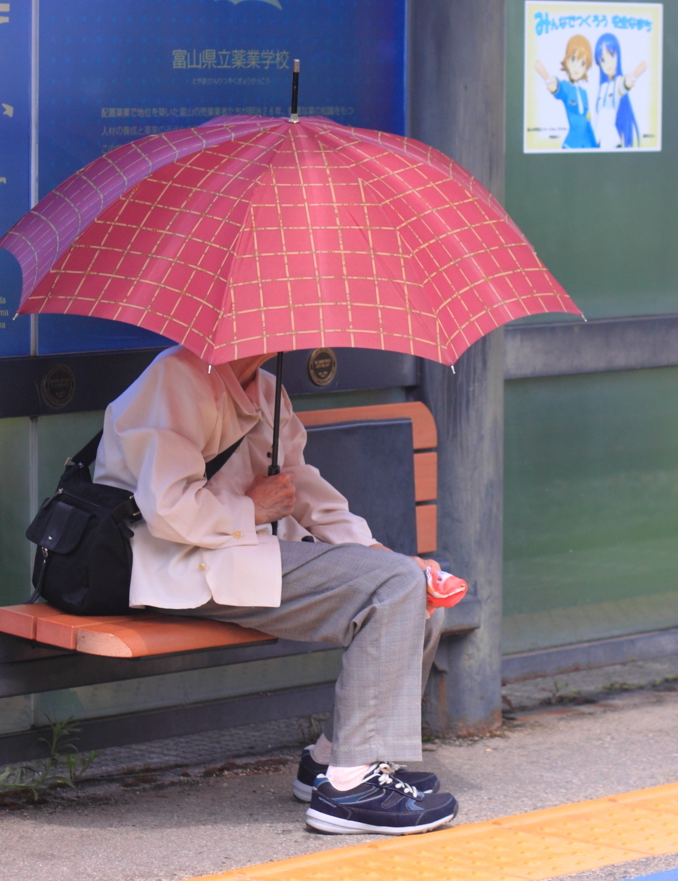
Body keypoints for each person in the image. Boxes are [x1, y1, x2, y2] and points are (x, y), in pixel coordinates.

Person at [94, 345, 464, 835]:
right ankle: (350, 792)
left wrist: (378, 552)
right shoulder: (175, 379)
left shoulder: (268, 390)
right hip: (182, 566)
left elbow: (301, 486)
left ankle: (333, 763)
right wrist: (251, 510)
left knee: (411, 589)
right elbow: (166, 509)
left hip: (240, 556)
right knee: (394, 589)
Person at [536, 34, 599, 150]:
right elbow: (558, 89)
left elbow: (587, 122)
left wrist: (595, 144)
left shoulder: (584, 93)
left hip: (589, 144)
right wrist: (550, 82)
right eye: (573, 59)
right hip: (572, 144)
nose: (577, 67)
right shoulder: (566, 87)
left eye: (583, 63)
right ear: (567, 59)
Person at [593, 32, 646, 149]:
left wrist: (635, 75)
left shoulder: (617, 84)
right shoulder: (601, 88)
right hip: (597, 140)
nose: (608, 63)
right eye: (602, 59)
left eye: (611, 55)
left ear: (618, 56)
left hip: (611, 141)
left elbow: (625, 83)